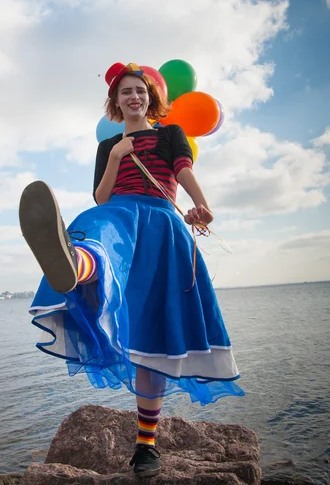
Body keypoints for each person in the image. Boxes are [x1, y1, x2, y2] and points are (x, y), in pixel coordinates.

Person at [19, 62, 244, 479]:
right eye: (125, 93)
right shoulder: (108, 146)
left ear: (150, 97)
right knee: (96, 227)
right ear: (116, 102)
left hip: (161, 223)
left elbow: (182, 170)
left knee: (152, 335)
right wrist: (117, 156)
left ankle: (146, 446)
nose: (133, 97)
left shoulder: (169, 134)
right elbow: (102, 196)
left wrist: (202, 203)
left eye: (139, 91)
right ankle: (75, 264)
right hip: (122, 214)